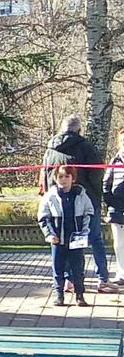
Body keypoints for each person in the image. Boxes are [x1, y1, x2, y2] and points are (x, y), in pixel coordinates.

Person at [40, 116, 117, 294]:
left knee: (64, 240)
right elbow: (96, 174)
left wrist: (49, 197)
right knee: (95, 240)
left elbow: (45, 175)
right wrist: (96, 195)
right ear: (78, 129)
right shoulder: (85, 147)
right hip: (85, 199)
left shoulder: (50, 149)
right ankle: (102, 279)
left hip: (58, 202)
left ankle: (68, 280)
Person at [39, 165, 94, 307]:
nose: (63, 180)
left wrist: (84, 231)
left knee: (78, 268)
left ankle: (80, 295)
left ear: (73, 178)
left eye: (67, 176)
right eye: (60, 177)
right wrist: (50, 234)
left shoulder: (81, 195)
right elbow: (44, 218)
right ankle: (59, 295)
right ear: (56, 179)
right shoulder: (50, 197)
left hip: (76, 239)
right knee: (58, 268)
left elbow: (89, 213)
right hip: (58, 239)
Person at [103, 128, 124, 284]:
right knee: (119, 243)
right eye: (122, 141)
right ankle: (121, 273)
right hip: (117, 208)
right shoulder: (115, 161)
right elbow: (106, 183)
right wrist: (110, 200)